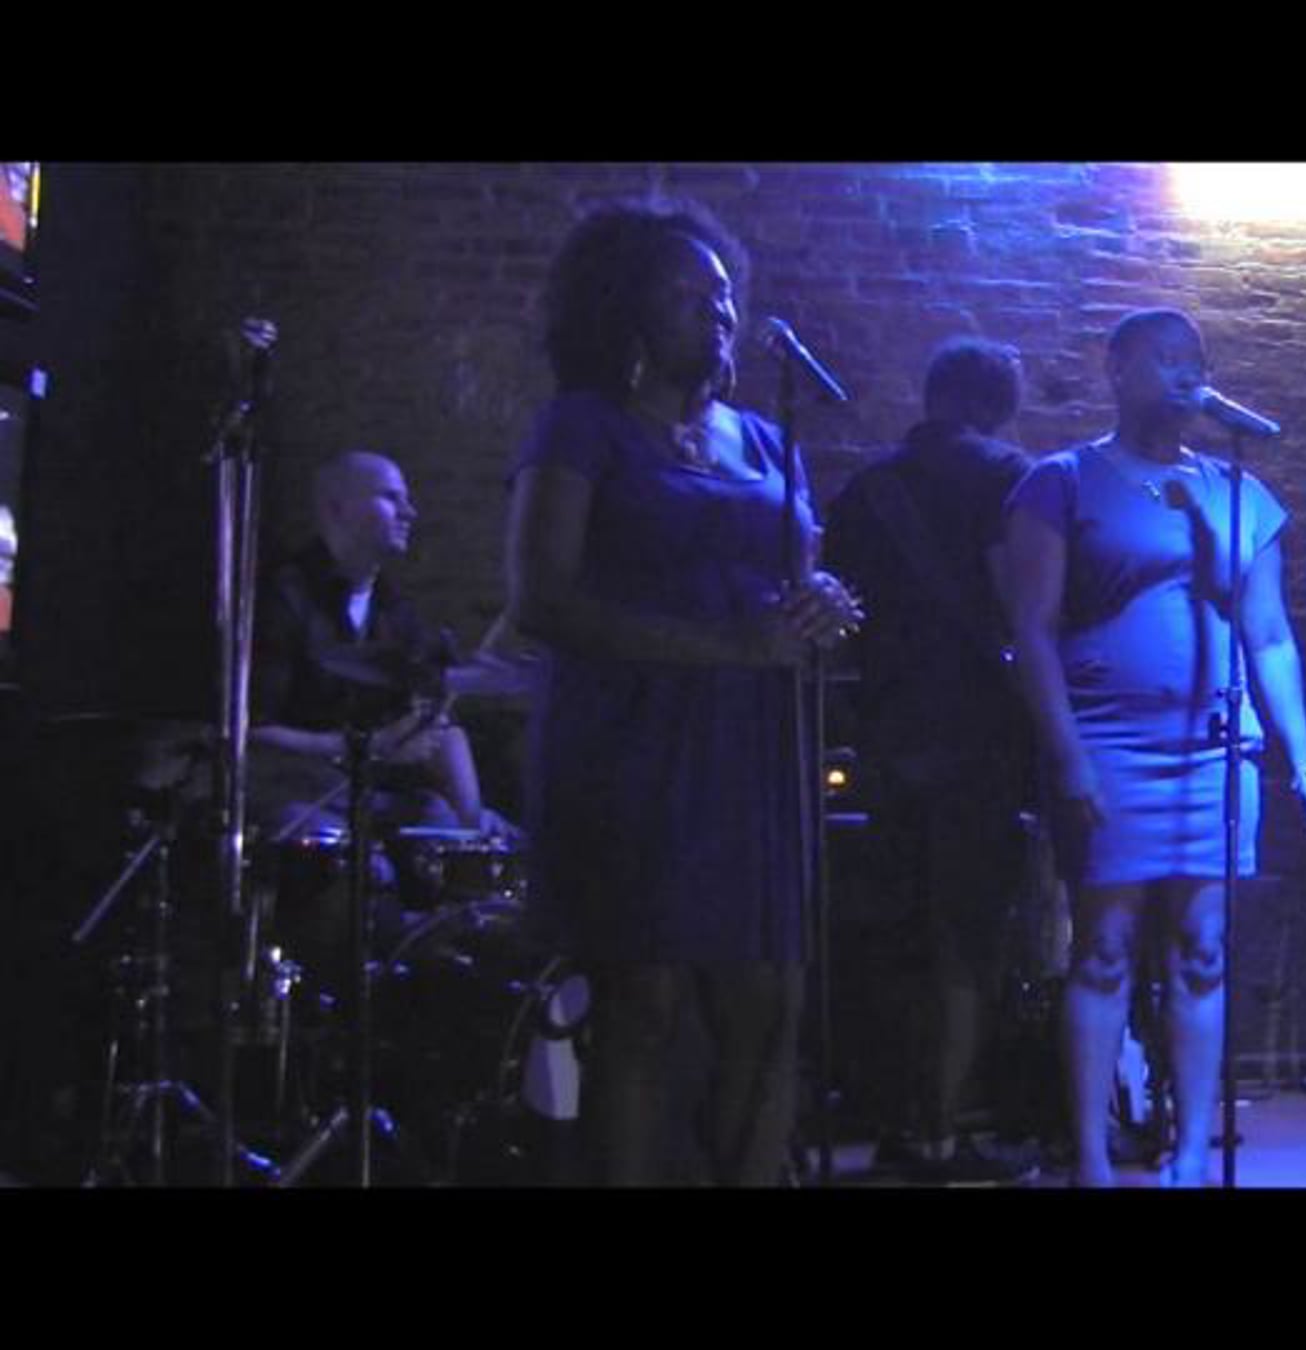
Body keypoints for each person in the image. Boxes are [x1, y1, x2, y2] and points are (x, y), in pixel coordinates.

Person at [503, 198, 862, 1186]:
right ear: (625, 309)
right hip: (634, 743)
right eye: (687, 295)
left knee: (770, 999)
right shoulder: (583, 427)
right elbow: (540, 597)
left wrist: (821, 604)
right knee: (646, 1002)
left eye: (725, 295)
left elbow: (793, 580)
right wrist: (726, 645)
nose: (718, 312)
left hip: (753, 746)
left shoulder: (769, 442)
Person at [997, 308, 1306, 1187]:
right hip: (1108, 743)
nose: (1188, 373)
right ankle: (1092, 1158)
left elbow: (1270, 635)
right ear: (1116, 369)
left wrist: (1303, 756)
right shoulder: (1061, 481)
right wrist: (1066, 755)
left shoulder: (1238, 491)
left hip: (1215, 750)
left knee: (1203, 949)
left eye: (1197, 359)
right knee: (1104, 949)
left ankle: (1190, 1155)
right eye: (1166, 358)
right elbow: (1031, 630)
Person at [823, 336, 1040, 1184]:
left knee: (890, 935)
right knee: (967, 939)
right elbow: (1028, 607)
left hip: (886, 737)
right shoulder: (1011, 476)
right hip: (982, 740)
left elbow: (835, 616)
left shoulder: (867, 490)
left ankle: (890, 1121)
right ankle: (943, 1131)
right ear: (999, 405)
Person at [250, 451, 489, 841]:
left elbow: (433, 723)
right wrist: (365, 747)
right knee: (341, 848)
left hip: (368, 795)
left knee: (472, 828)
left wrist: (469, 833)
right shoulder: (282, 599)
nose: (409, 512)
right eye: (391, 498)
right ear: (336, 509)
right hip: (294, 793)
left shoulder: (394, 611)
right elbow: (251, 735)